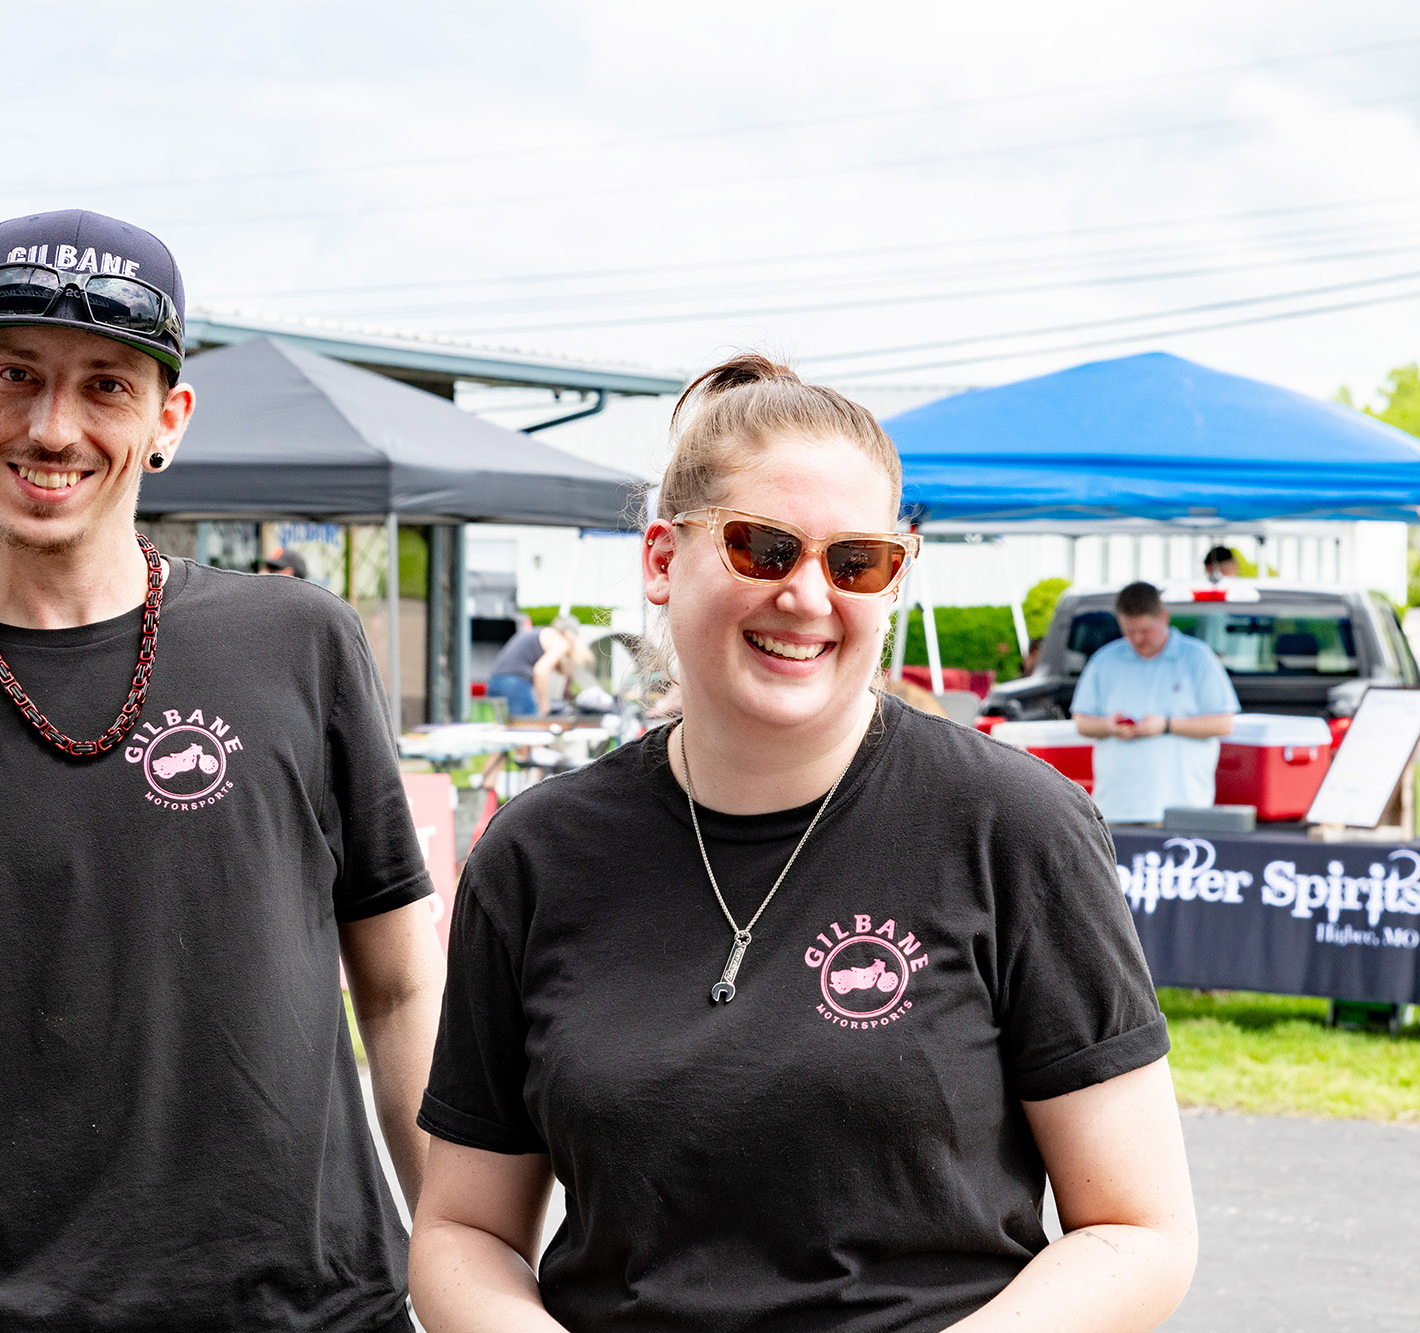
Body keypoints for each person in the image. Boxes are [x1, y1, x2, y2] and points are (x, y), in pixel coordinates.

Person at [0, 209, 445, 1333]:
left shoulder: (301, 642)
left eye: (106, 385)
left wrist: (458, 1270)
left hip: (321, 1313)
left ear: (168, 419)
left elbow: (399, 992)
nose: (53, 428)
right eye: (16, 374)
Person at [410, 354, 1194, 1333]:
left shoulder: (1012, 827)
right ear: (660, 559)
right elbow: (461, 1230)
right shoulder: (537, 854)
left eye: (855, 561)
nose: (809, 596)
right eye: (763, 548)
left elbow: (1136, 1227)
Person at [1071, 581, 1239, 825]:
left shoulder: (1198, 658)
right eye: (1129, 631)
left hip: (1182, 807)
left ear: (1164, 617)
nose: (1137, 639)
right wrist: (1109, 726)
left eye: (1145, 630)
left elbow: (1224, 724)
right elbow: (1082, 722)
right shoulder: (1104, 660)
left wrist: (1166, 725)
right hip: (1115, 808)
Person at [486, 616, 590, 718]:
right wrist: (543, 704)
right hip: (514, 684)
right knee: (529, 728)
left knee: (507, 727)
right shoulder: (561, 641)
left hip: (495, 682)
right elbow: (540, 670)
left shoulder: (544, 633)